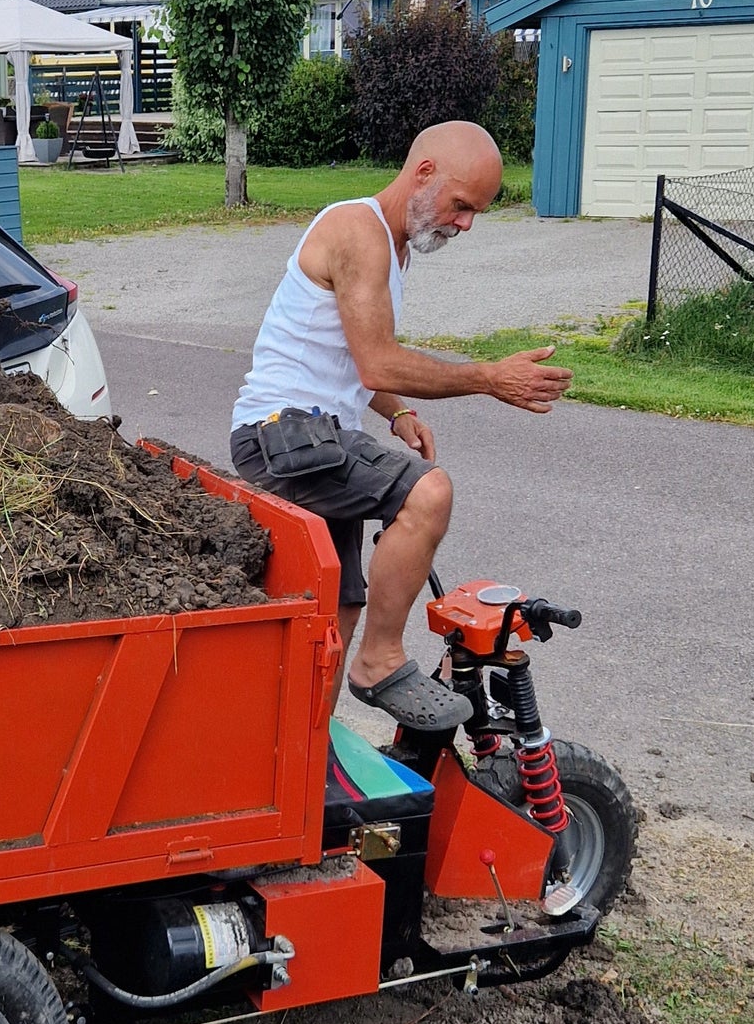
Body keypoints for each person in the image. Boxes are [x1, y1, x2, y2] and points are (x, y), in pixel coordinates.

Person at [230, 120, 571, 732]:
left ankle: (305, 751)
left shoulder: (395, 243)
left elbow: (349, 357)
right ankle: (379, 664)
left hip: (313, 434)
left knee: (338, 609)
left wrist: (399, 411)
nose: (465, 224)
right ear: (423, 174)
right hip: (280, 433)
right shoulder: (357, 231)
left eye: (476, 213)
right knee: (428, 492)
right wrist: (489, 377)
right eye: (462, 205)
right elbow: (377, 358)